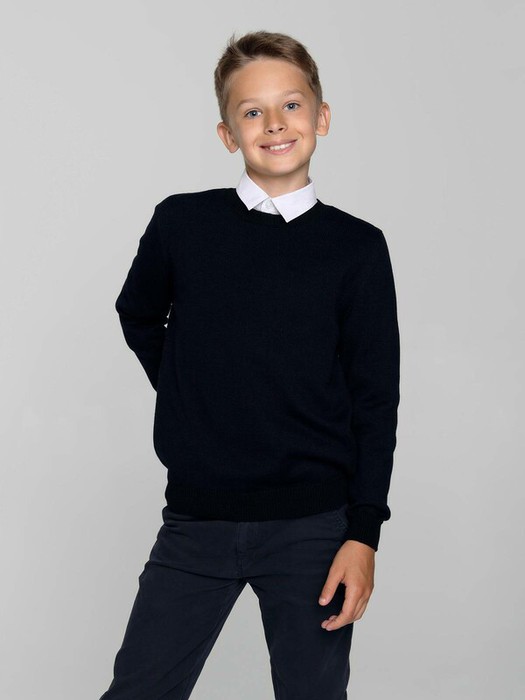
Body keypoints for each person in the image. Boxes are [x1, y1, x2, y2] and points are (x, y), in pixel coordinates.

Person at [99, 29, 400, 700]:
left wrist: (363, 535)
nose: (274, 124)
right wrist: (191, 392)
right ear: (227, 134)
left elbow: (374, 399)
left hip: (313, 530)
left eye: (291, 105)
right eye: (252, 111)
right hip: (196, 523)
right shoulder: (182, 224)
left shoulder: (355, 248)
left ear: (321, 117)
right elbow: (137, 313)